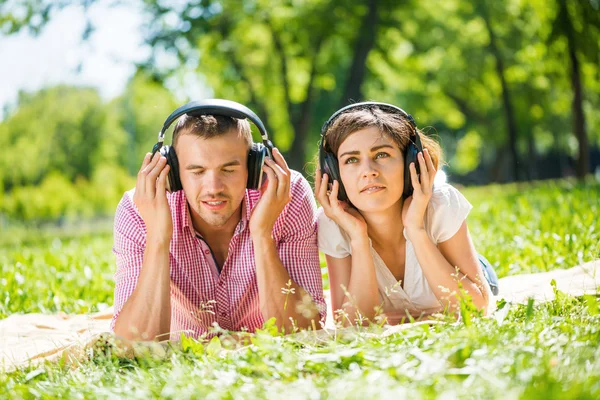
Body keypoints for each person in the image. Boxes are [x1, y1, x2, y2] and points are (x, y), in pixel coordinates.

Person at [111, 100, 326, 340]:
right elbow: (131, 345)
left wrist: (262, 235)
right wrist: (158, 238)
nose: (214, 188)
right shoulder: (137, 209)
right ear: (172, 172)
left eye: (229, 169)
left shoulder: (286, 193)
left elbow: (305, 333)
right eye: (197, 171)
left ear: (254, 166)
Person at [315, 102, 494, 326]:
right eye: (351, 160)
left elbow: (476, 309)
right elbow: (351, 325)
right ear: (334, 174)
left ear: (411, 162)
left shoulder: (441, 204)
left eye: (381, 154)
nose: (368, 171)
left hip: (469, 268)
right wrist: (359, 239)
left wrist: (416, 230)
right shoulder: (334, 223)